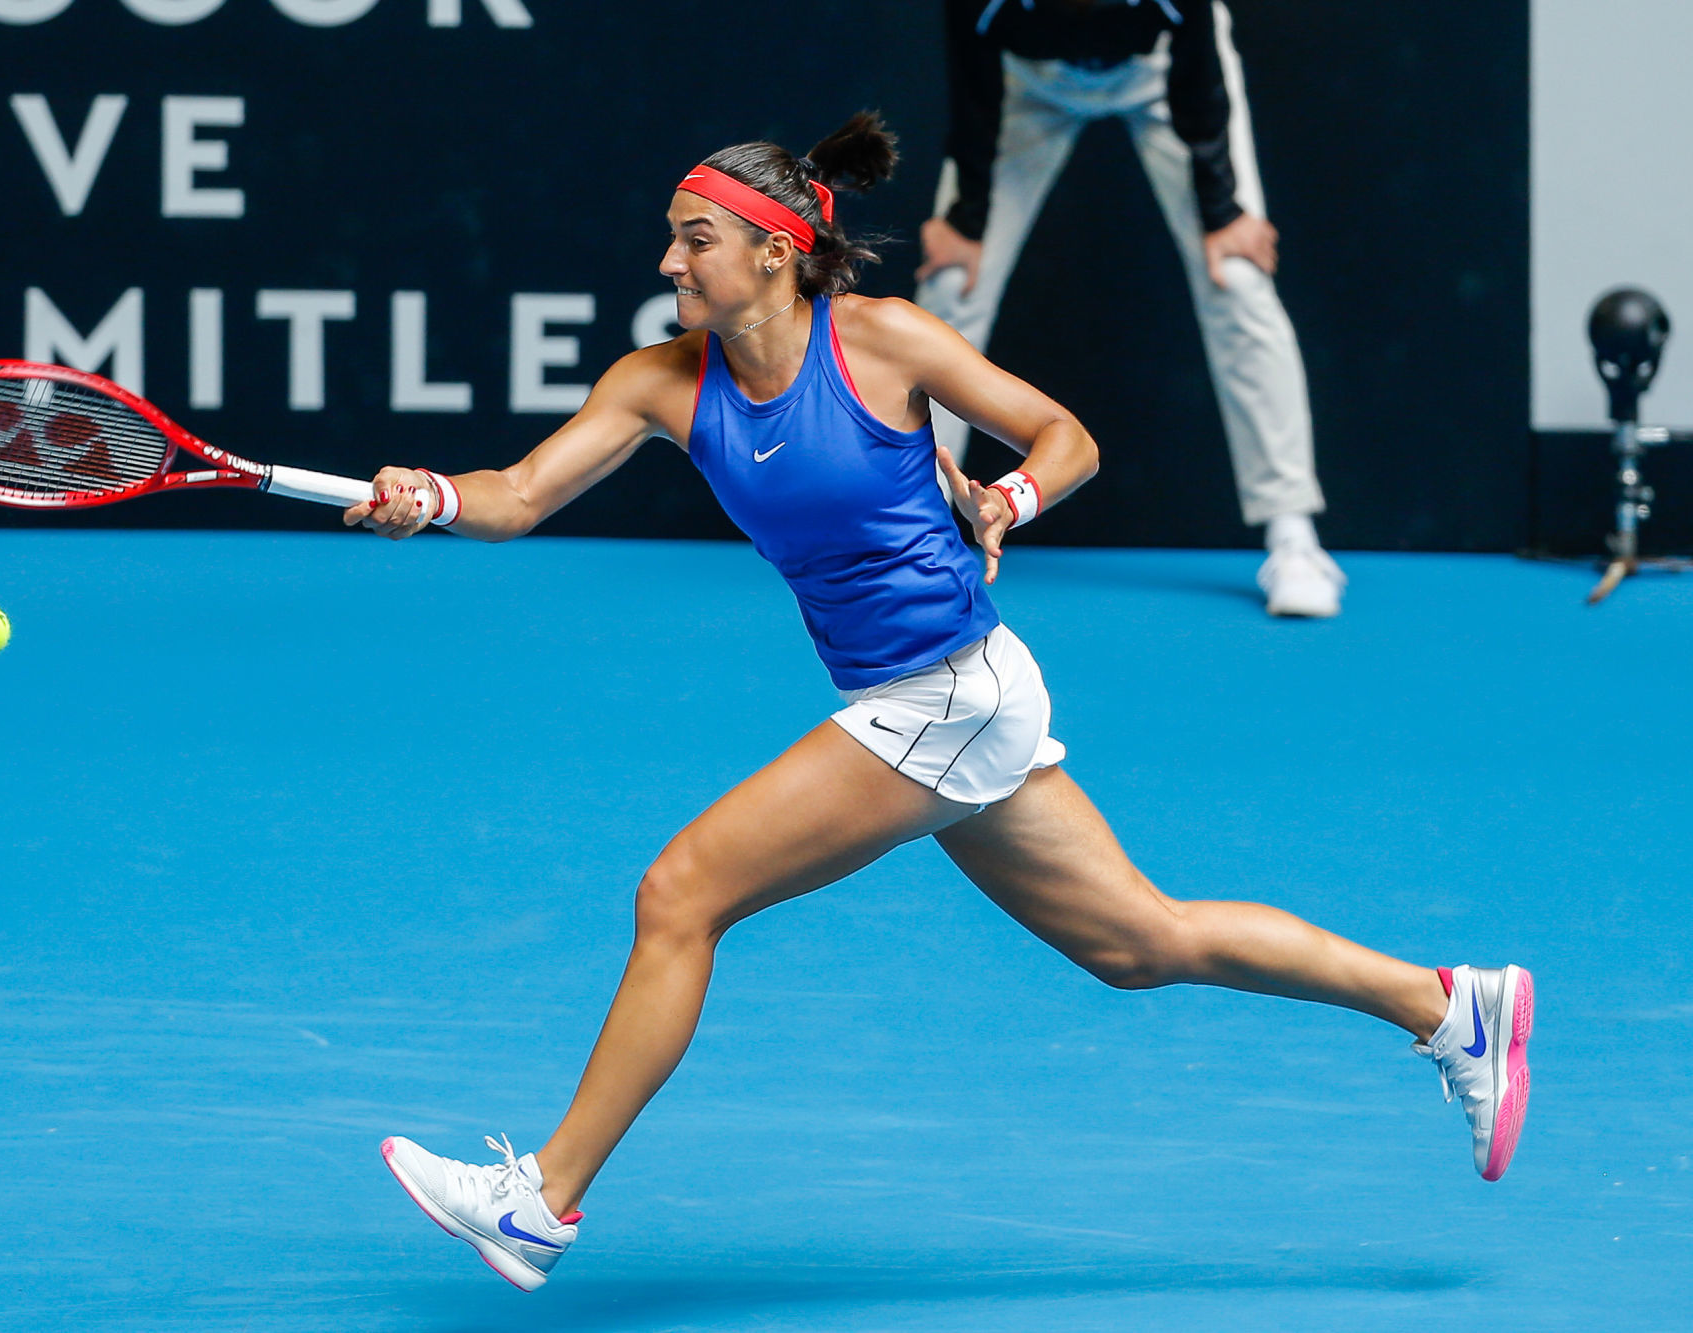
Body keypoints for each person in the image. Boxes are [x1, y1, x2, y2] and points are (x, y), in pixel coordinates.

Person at [358, 113, 1531, 1293]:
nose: (669, 262)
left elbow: (1063, 436)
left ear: (773, 251)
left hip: (947, 691)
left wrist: (1007, 499)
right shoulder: (657, 382)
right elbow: (513, 493)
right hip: (926, 698)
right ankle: (1444, 1006)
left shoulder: (881, 342)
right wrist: (426, 498)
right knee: (1140, 941)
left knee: (679, 893)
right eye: (670, 239)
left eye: (694, 239)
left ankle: (539, 1202)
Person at [917, 0, 1345, 618]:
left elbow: (1198, 64)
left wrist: (1223, 213)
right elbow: (972, 74)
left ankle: (1294, 538)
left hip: (1165, 73)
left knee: (1239, 277)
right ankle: (906, 537)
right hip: (1027, 83)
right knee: (954, 278)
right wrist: (966, 218)